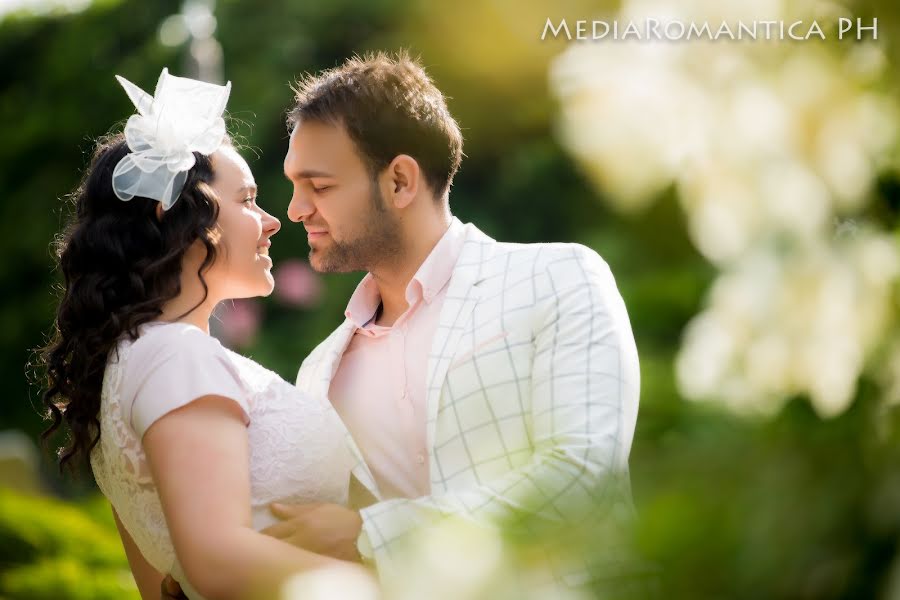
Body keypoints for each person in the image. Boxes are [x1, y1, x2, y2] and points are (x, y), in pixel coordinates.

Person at [262, 50, 641, 591]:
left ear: (399, 182)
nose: (296, 209)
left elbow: (583, 474)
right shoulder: (319, 370)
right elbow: (311, 534)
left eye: (319, 187)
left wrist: (372, 533)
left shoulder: (560, 276)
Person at [39, 69, 360, 600]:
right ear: (178, 214)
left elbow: (162, 589)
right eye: (248, 200)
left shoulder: (129, 364)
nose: (272, 220)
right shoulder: (176, 355)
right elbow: (214, 558)